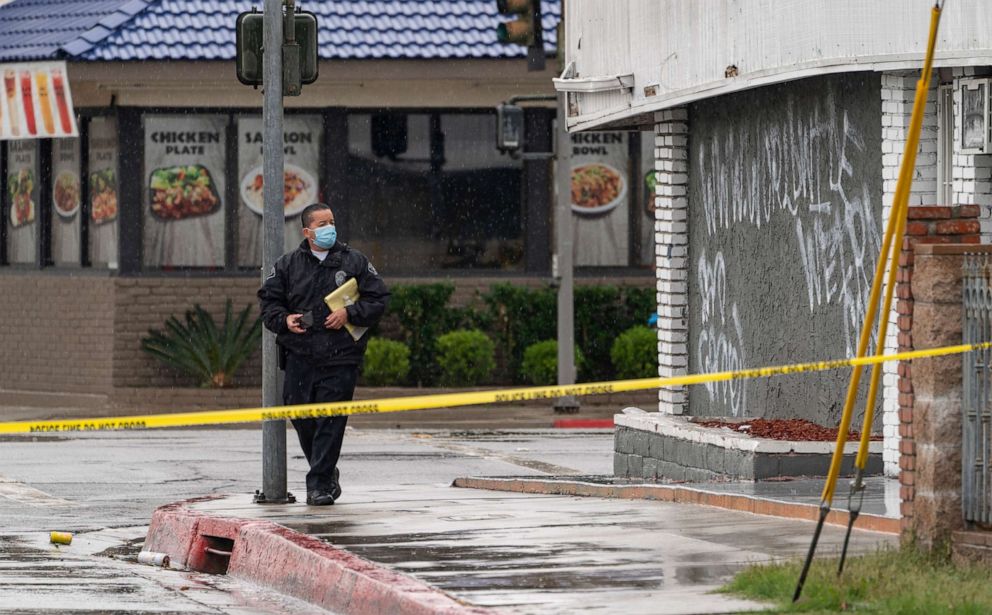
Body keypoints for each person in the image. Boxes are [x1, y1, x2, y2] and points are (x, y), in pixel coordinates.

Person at [258, 203, 389, 506]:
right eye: (321, 224)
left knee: (330, 419)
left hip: (340, 356)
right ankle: (327, 473)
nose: (329, 227)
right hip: (300, 355)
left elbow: (379, 299)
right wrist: (284, 320)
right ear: (307, 231)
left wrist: (350, 313)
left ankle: (318, 485)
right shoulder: (288, 264)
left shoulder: (354, 261)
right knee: (301, 415)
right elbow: (269, 303)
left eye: (331, 221)